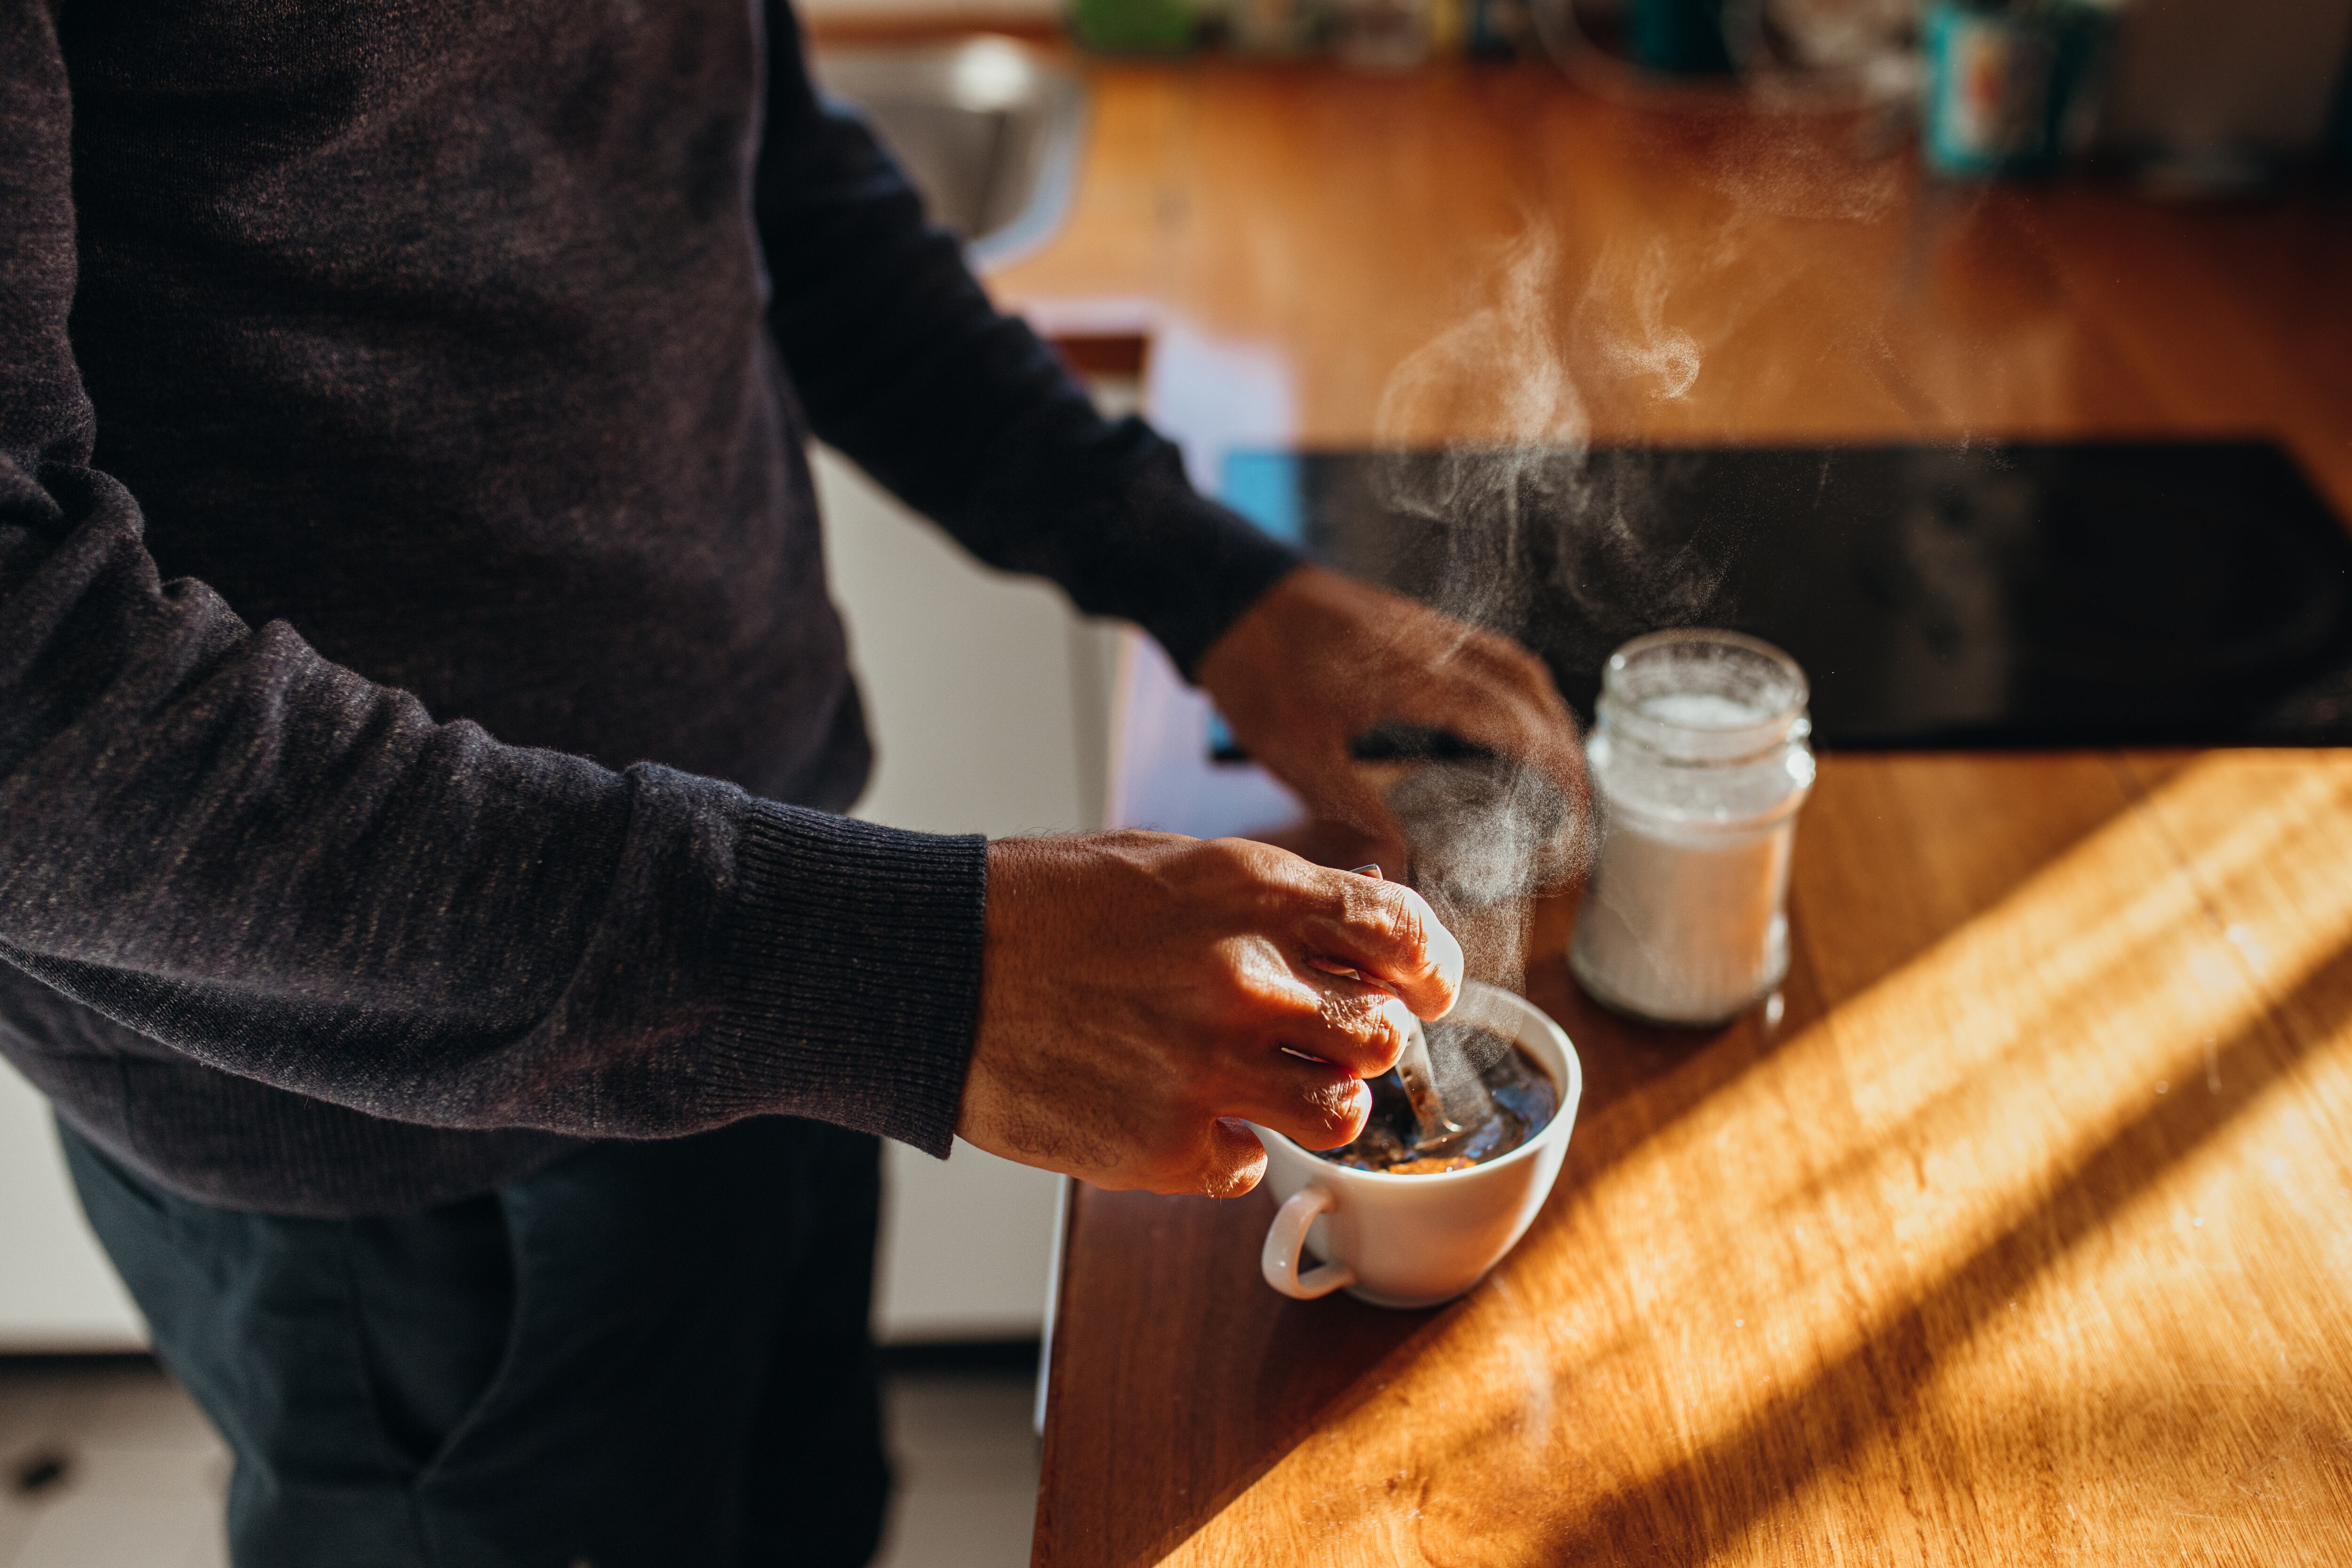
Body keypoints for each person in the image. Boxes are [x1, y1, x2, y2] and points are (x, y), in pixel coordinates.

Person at [0, 2, 1586, 1563]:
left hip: (783, 926)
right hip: (393, 1121)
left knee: (805, 1520)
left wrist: (1206, 582)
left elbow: (762, 172)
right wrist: (902, 974)